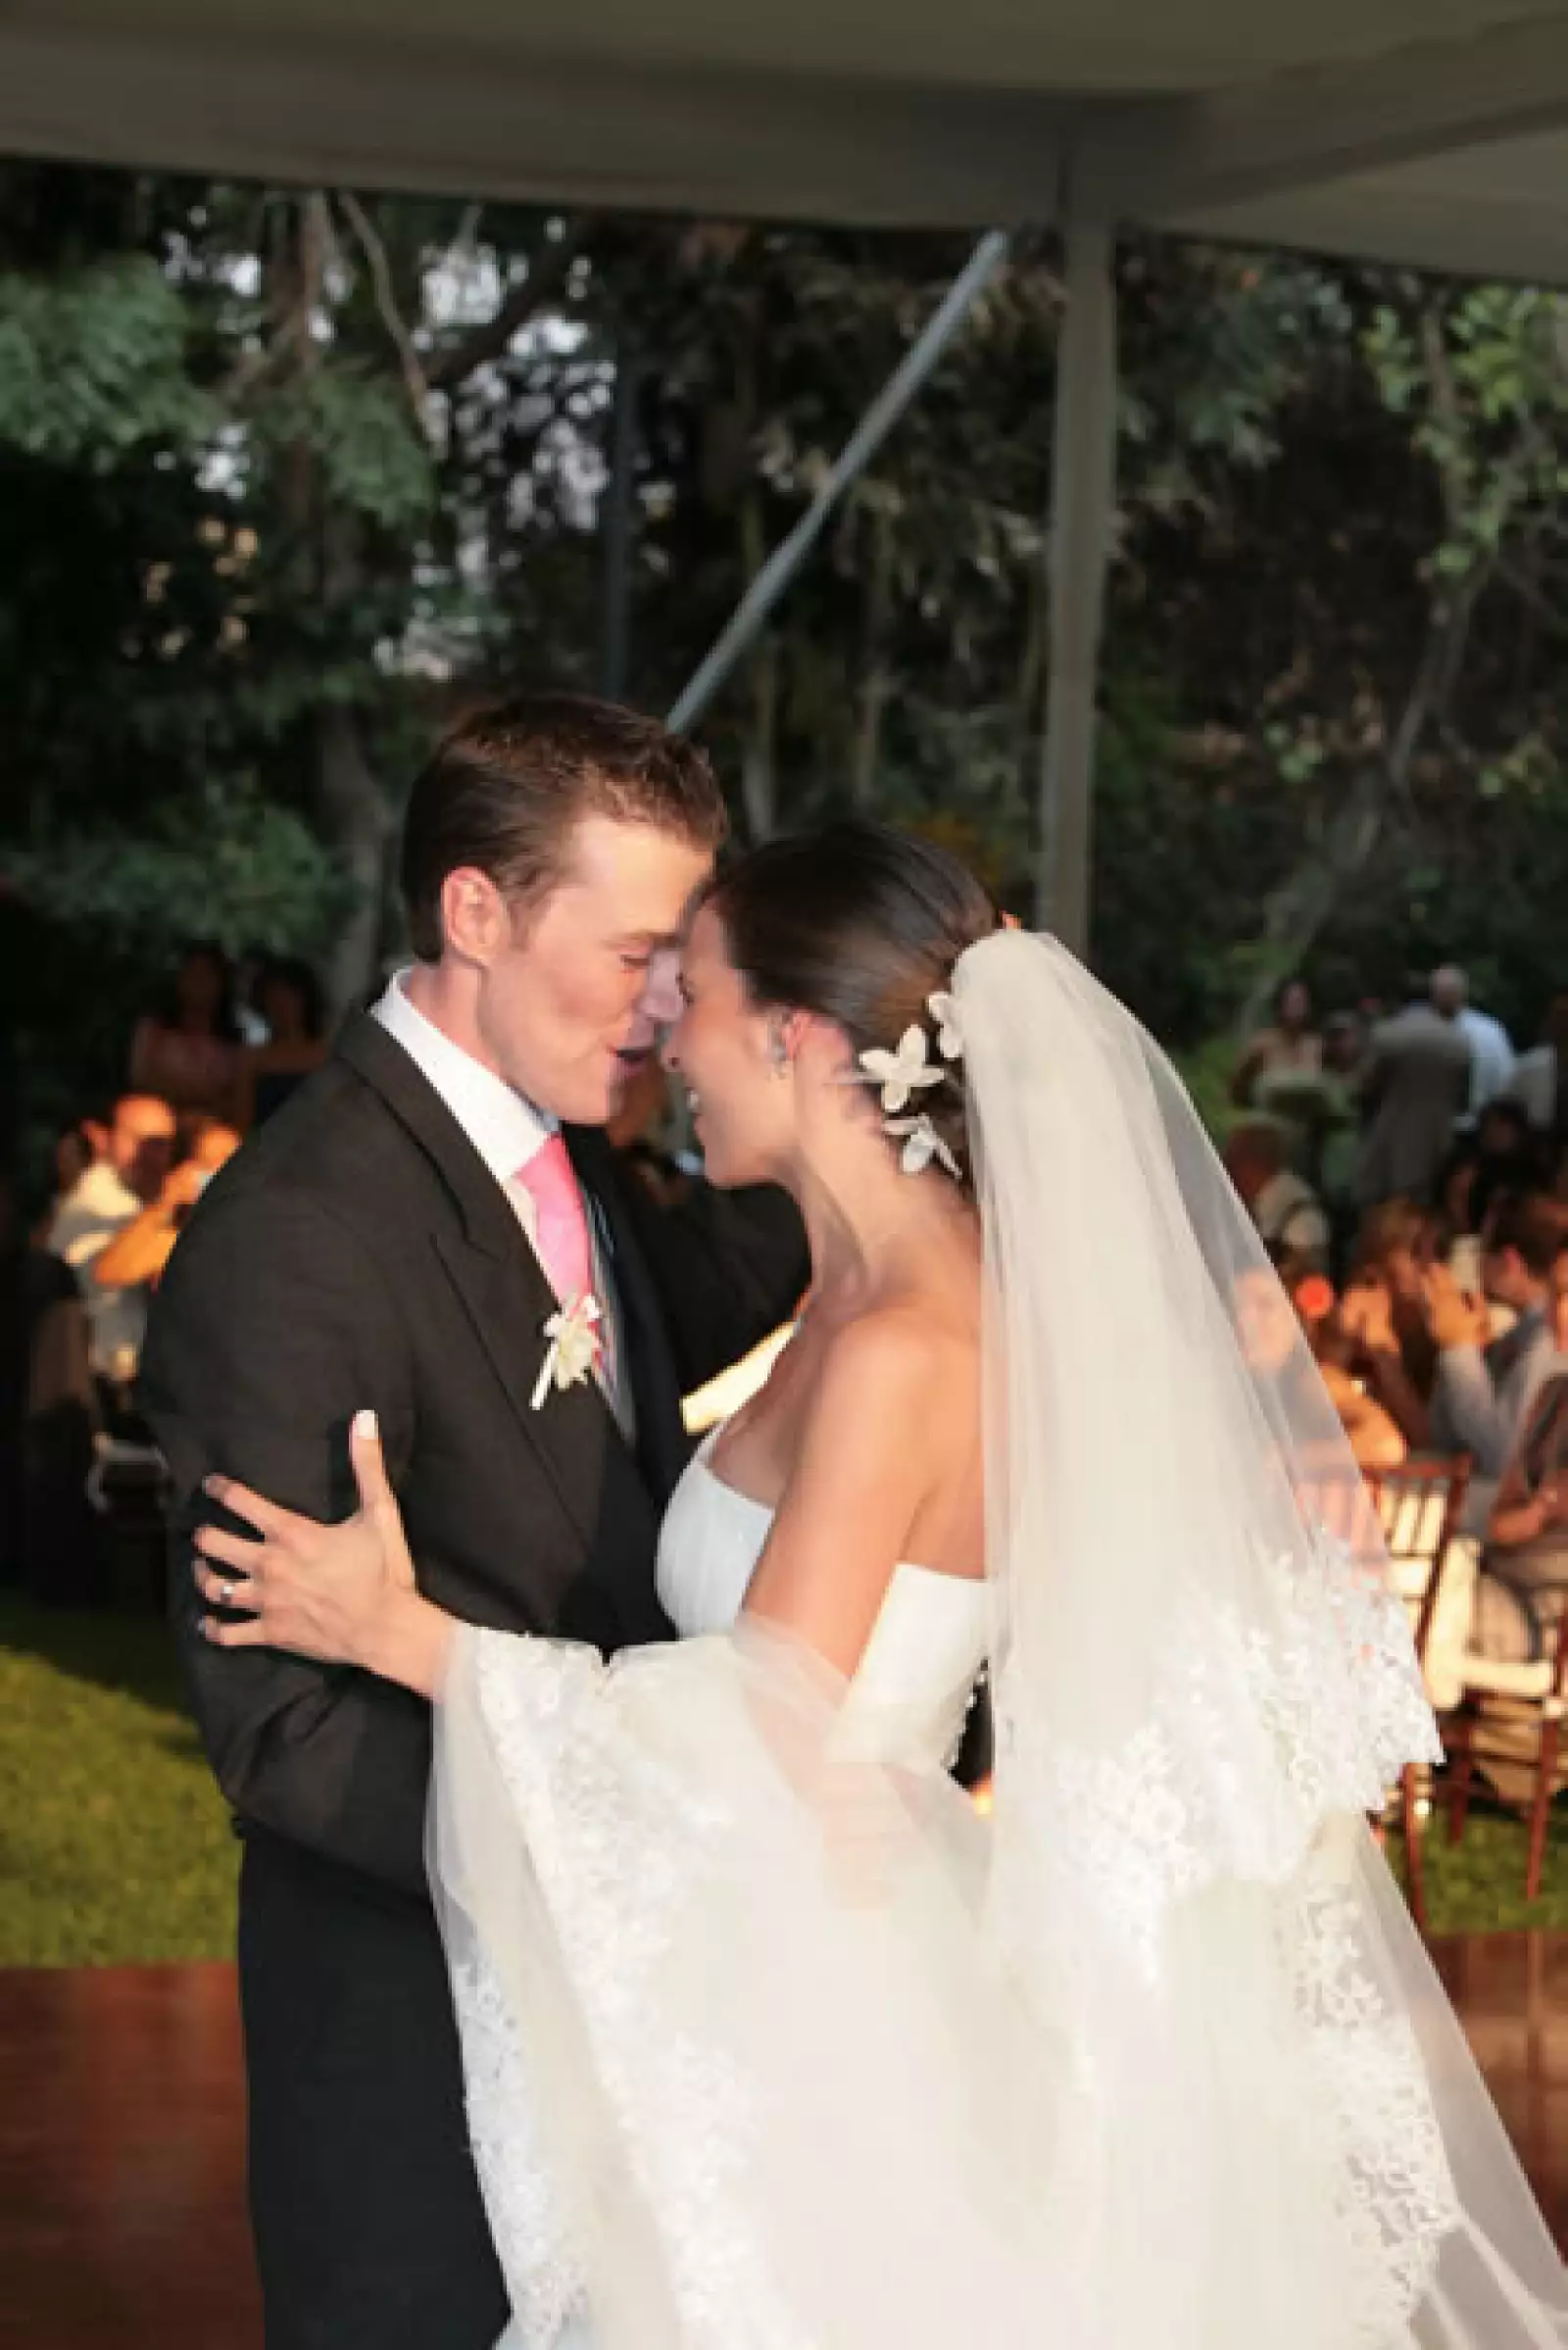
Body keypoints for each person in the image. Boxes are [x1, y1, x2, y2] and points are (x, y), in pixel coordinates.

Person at [190, 823, 1568, 2350]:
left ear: (793, 1036)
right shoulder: (856, 1292)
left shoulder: (913, 1340)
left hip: (829, 2018)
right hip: (807, 1941)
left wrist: (402, 1631)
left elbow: (757, 1715)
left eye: (692, 989)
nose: (665, 1033)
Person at [139, 693, 808, 2350]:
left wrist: (911, 1105)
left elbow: (660, 1344)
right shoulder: (300, 1230)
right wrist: (622, 1832)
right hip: (415, 2075)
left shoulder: (577, 1157)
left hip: (630, 2049)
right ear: (477, 910)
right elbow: (284, 1731)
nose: (667, 1006)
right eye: (638, 950)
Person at [46, 1093, 177, 1378]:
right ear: (102, 1139)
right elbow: (113, 1269)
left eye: (162, 1144)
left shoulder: (134, 1202)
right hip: (109, 1386)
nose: (150, 1156)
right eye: (139, 1141)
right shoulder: (98, 1202)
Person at [1357, 974, 1473, 1208]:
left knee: (1385, 1209)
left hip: (1391, 1134)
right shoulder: (1458, 1041)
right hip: (1439, 1137)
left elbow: (1366, 1086)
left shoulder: (1388, 1034)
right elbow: (1463, 1099)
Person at [128, 939, 244, 1122]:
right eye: (191, 974)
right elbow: (140, 1082)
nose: (198, 983)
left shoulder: (234, 1043)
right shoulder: (153, 1029)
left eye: (207, 976)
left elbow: (237, 1100)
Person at [237, 955, 330, 1131]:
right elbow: (241, 1124)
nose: (281, 1005)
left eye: (289, 996)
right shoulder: (252, 1059)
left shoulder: (329, 1057)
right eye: (273, 997)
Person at [1223, 1117, 1330, 1270]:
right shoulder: (1249, 1207)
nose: (1226, 1173)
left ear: (1250, 1165)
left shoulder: (1301, 1217)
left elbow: (1304, 1281)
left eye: (1230, 1163)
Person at [1432, 963, 1514, 1119]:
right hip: (1477, 1123)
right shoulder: (1490, 1031)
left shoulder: (1489, 1032)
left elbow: (1506, 1081)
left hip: (1467, 1123)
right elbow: (1507, 1080)